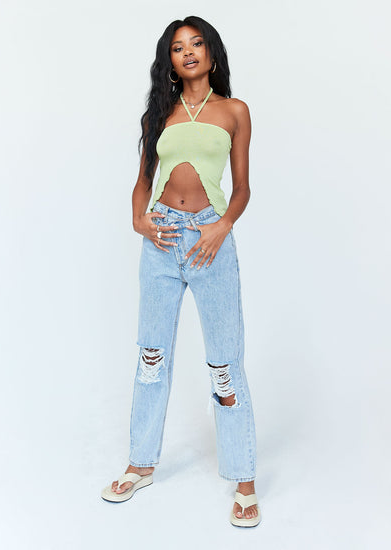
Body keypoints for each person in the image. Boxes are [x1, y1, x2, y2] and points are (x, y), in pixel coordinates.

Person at [101, 15, 261, 528]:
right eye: (177, 47)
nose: (188, 52)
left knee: (225, 363)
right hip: (162, 240)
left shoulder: (234, 111)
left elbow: (242, 188)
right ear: (169, 60)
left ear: (212, 53)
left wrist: (222, 226)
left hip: (210, 242)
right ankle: (140, 464)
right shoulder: (160, 113)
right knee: (151, 358)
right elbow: (142, 181)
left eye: (196, 43)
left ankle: (244, 479)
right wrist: (138, 220)